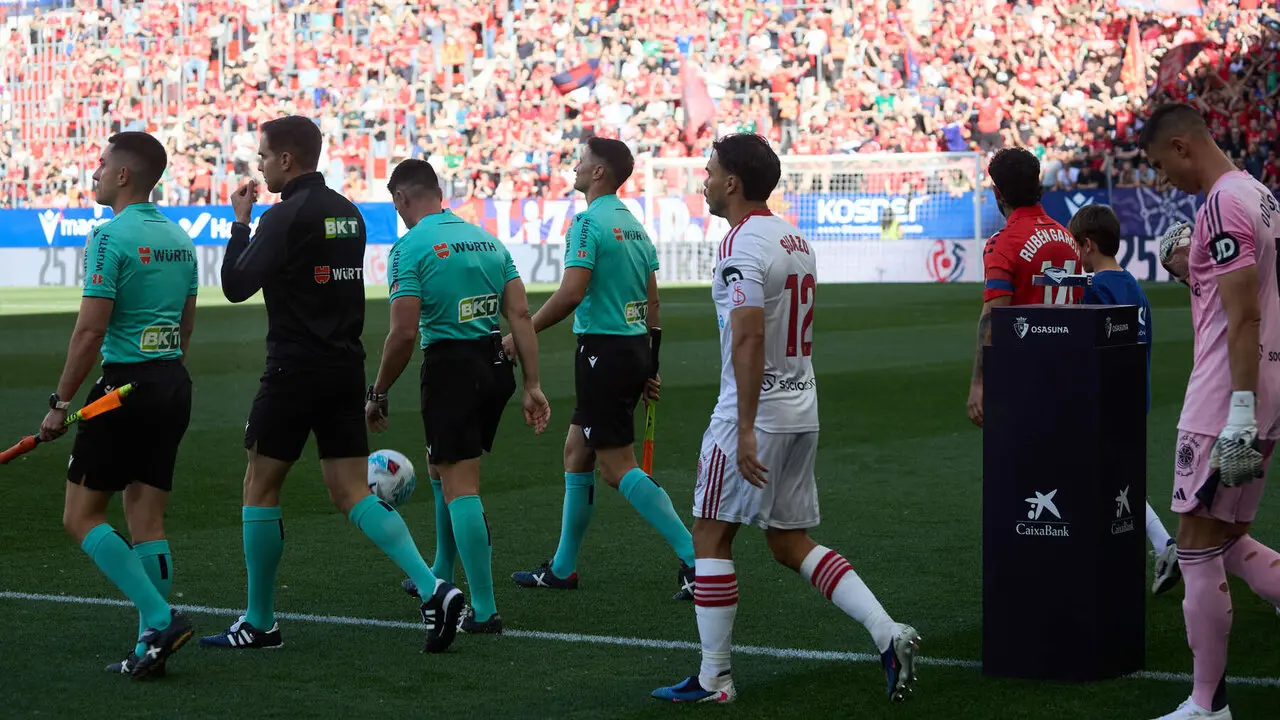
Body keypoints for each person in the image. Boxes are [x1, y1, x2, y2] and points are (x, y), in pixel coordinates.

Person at [651, 133, 921, 704]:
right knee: (787, 540)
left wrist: (745, 426)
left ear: (732, 182)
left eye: (710, 171)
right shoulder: (795, 239)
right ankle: (887, 631)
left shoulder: (740, 242)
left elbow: (749, 335)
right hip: (802, 407)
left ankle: (714, 679)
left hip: (753, 413)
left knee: (709, 533)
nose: (704, 180)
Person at [200, 116, 464, 654]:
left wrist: (241, 224)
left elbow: (234, 285)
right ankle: (434, 588)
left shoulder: (282, 216)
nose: (261, 167)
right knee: (351, 491)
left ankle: (260, 622)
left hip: (293, 370)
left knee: (260, 486)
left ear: (287, 160)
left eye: (264, 157)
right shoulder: (350, 213)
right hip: (345, 367)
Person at [35, 131, 198, 679]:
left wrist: (60, 403)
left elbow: (90, 330)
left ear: (124, 175)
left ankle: (160, 619)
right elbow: (186, 326)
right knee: (146, 518)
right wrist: (163, 375)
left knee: (80, 515)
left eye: (102, 164)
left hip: (124, 388)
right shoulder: (181, 238)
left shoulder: (108, 237)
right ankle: (150, 646)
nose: (95, 172)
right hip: (172, 382)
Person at [506, 136, 697, 600]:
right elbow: (653, 303)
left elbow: (572, 293)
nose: (575, 166)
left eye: (582, 160)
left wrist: (524, 331)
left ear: (598, 172)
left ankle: (698, 560)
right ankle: (563, 569)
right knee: (577, 452)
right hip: (630, 351)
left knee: (616, 467)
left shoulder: (587, 223)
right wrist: (650, 363)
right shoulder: (634, 225)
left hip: (602, 353)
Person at [366, 159, 551, 634]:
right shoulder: (487, 240)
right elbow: (520, 315)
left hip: (451, 369)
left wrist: (378, 391)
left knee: (460, 484)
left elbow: (403, 333)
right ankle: (439, 573)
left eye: (395, 204)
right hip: (494, 365)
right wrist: (532, 384)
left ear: (402, 198)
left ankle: (484, 611)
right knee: (439, 467)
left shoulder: (410, 248)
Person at [1140, 102, 1280, 720]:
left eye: (1158, 165)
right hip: (1264, 386)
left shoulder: (1221, 204)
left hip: (1226, 397)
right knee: (1227, 537)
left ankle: (1207, 705)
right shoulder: (1259, 194)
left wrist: (1240, 413)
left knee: (1196, 545)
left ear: (1181, 146)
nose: (1161, 179)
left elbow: (1244, 314)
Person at [1069, 204, 1180, 595]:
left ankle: (1158, 547)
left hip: (1105, 404)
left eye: (1076, 245)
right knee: (1116, 478)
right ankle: (1161, 546)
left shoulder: (1096, 289)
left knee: (1095, 477)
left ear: (1088, 244)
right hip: (1134, 399)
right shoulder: (1133, 285)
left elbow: (1087, 351)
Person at [968, 146, 1083, 428]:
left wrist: (978, 383)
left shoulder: (1003, 243)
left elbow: (992, 318)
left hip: (1021, 379)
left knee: (1018, 455)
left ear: (997, 193)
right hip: (1070, 374)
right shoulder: (1067, 238)